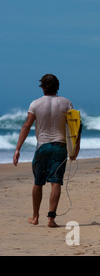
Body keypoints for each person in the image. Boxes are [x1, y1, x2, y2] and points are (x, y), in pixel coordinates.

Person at [13, 74, 79, 227]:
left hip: (42, 147)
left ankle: (35, 217)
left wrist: (17, 149)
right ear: (57, 87)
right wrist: (75, 149)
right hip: (60, 147)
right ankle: (51, 219)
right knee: (56, 182)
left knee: (38, 182)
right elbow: (75, 128)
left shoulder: (35, 104)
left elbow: (26, 126)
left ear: (42, 87)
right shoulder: (66, 103)